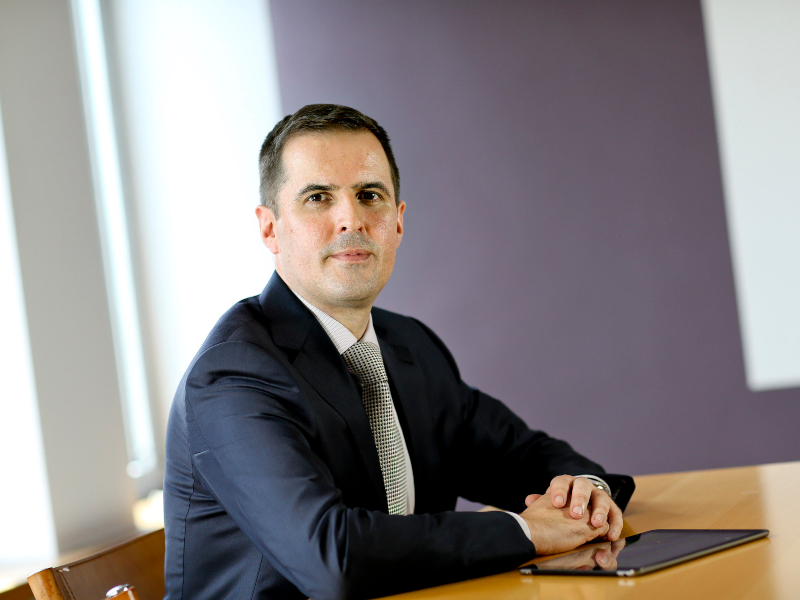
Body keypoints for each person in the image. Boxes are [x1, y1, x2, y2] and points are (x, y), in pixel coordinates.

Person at [163, 104, 632, 600]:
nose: (351, 220)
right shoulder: (235, 376)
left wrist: (585, 494)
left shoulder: (408, 346)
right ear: (269, 228)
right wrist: (528, 532)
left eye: (370, 196)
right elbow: (332, 558)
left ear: (399, 221)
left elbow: (522, 456)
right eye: (318, 198)